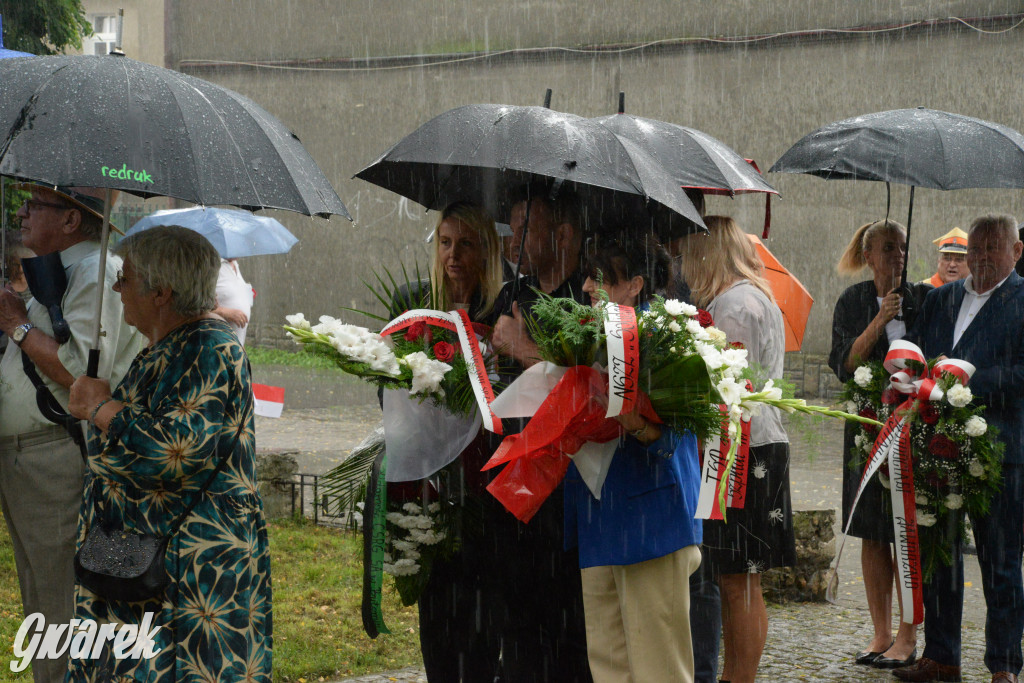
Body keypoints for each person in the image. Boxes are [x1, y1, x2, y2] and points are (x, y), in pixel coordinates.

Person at [67, 225, 272, 682]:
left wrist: (102, 408)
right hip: (142, 558)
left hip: (191, 570)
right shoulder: (166, 347)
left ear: (161, 291)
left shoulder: (209, 348)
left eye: (126, 278)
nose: (118, 288)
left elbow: (173, 452)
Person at [0, 184, 142, 683]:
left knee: (63, 600)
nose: (22, 212)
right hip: (30, 461)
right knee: (43, 596)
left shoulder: (95, 273)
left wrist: (17, 325)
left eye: (35, 204)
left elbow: (81, 375)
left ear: (70, 220)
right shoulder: (66, 274)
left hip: (55, 459)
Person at [565, 233, 702, 682]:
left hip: (652, 520)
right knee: (609, 666)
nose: (587, 286)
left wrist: (634, 422)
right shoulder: (587, 336)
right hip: (599, 516)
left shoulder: (666, 337)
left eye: (601, 277)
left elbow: (676, 442)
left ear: (637, 284)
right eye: (588, 274)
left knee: (659, 669)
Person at [894, 214, 1024, 683]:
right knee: (938, 553)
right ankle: (942, 657)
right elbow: (927, 359)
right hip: (937, 447)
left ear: (1017, 252)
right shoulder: (941, 298)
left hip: (1001, 453)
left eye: (993, 248)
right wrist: (913, 373)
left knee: (1001, 562)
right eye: (975, 249)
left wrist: (966, 378)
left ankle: (1004, 666)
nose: (981, 257)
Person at [677, 215, 794, 683]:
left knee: (738, 579)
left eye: (687, 255)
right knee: (742, 578)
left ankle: (739, 677)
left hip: (744, 450)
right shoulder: (750, 295)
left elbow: (726, 385)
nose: (683, 267)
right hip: (756, 444)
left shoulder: (735, 305)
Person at [489, 182, 593, 682]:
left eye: (524, 228)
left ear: (564, 235)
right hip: (517, 485)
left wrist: (523, 350)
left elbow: (588, 388)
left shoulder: (590, 300)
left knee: (572, 631)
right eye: (510, 228)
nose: (512, 241)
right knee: (519, 625)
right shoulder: (513, 295)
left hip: (571, 489)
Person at [403, 201, 507, 682]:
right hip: (428, 477)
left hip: (486, 479)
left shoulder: (504, 310)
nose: (454, 255)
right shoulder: (414, 307)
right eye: (445, 242)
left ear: (486, 251)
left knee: (483, 618)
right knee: (437, 612)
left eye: (466, 244)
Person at [829, 219, 928, 670]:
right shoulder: (852, 301)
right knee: (872, 532)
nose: (898, 257)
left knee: (907, 529)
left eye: (903, 248)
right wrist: (880, 319)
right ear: (868, 256)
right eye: (889, 249)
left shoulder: (924, 299)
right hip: (867, 429)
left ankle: (909, 635)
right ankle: (881, 630)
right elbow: (846, 364)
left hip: (914, 429)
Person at [213, 257, 254, 344]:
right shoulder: (211, 265)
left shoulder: (235, 264)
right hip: (216, 347)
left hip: (236, 347)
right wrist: (222, 312)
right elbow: (193, 306)